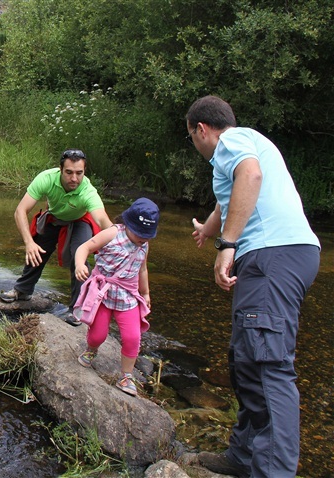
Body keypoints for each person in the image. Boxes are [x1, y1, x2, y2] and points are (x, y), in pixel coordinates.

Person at [186, 95, 320, 478]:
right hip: (282, 255)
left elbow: (251, 177)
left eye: (191, 137)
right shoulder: (242, 145)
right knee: (246, 357)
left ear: (201, 129)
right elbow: (228, 201)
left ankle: (272, 472)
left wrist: (226, 245)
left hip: (273, 254)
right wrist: (209, 229)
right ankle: (243, 458)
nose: (194, 145)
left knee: (267, 364)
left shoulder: (232, 141)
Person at [0, 149, 113, 323]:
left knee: (78, 256)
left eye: (79, 173)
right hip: (55, 216)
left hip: (80, 220)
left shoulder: (88, 191)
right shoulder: (46, 179)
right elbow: (20, 210)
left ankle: (78, 308)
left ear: (84, 172)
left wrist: (120, 239)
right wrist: (28, 242)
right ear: (60, 169)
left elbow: (102, 218)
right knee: (37, 247)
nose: (74, 178)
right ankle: (23, 290)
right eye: (69, 172)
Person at [72, 198, 159, 397]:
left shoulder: (143, 245)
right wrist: (80, 264)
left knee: (132, 337)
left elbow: (142, 268)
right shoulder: (113, 233)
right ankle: (91, 349)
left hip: (127, 296)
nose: (143, 239)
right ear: (128, 223)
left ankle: (126, 376)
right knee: (98, 334)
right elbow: (84, 247)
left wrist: (145, 293)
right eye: (139, 233)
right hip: (103, 294)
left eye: (147, 236)